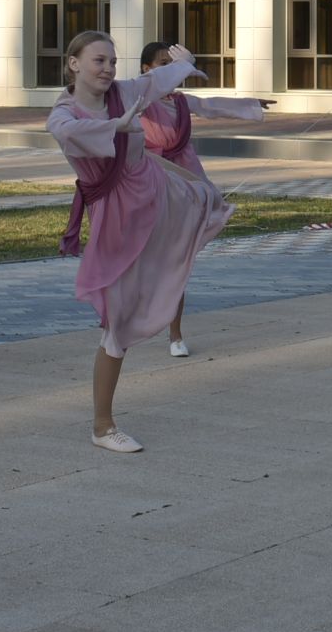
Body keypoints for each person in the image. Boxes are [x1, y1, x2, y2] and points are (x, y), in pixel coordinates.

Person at [47, 32, 232, 453]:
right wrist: (116, 127)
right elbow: (70, 132)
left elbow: (156, 82)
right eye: (99, 61)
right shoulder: (63, 113)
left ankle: (172, 327)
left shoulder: (124, 90)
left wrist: (183, 65)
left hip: (153, 190)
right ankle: (102, 425)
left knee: (201, 206)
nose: (109, 68)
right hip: (117, 216)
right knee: (118, 322)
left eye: (112, 60)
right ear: (74, 64)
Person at [134, 39, 271, 357]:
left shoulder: (182, 102)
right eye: (162, 65)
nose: (169, 72)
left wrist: (252, 104)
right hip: (151, 182)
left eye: (173, 65)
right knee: (144, 260)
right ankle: (132, 312)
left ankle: (175, 335)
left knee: (177, 262)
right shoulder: (140, 99)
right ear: (146, 70)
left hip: (184, 183)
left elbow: (211, 106)